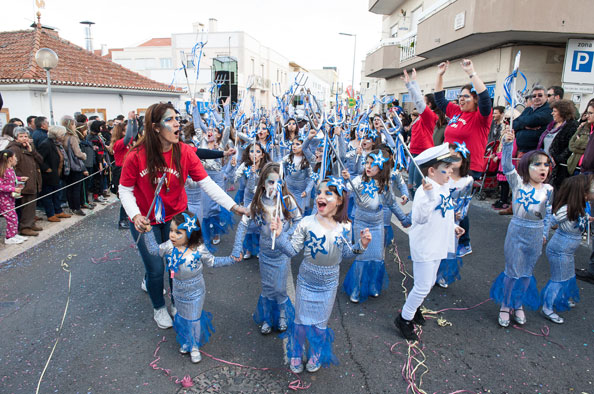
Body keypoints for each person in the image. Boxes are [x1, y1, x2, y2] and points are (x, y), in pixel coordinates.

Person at [119, 102, 246, 330]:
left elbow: (206, 183)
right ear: (156, 127)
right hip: (145, 222)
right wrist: (135, 215)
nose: (177, 123)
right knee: (156, 269)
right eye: (170, 119)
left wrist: (234, 207)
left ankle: (177, 302)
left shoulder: (185, 152)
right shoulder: (136, 156)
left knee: (175, 264)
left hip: (176, 219)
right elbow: (125, 190)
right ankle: (159, 307)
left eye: (177, 118)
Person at [271, 179, 371, 373]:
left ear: (340, 200)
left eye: (328, 193)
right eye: (319, 192)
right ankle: (296, 353)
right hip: (307, 280)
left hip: (329, 283)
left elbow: (347, 254)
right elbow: (292, 251)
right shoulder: (306, 223)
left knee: (319, 325)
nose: (320, 196)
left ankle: (315, 354)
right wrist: (280, 235)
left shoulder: (346, 226)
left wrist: (362, 245)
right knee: (300, 321)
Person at [144, 210, 241, 363]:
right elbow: (154, 250)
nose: (172, 235)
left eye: (178, 232)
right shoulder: (169, 247)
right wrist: (148, 232)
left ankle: (194, 346)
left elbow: (213, 262)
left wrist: (231, 259)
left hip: (196, 291)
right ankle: (187, 340)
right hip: (178, 290)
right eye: (171, 231)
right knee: (182, 317)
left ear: (190, 233)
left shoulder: (199, 248)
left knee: (194, 319)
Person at [394, 144, 464, 341]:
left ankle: (413, 308)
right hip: (425, 245)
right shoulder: (424, 192)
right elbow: (421, 218)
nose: (451, 170)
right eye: (446, 167)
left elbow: (444, 213)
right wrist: (430, 195)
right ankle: (404, 319)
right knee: (424, 285)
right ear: (432, 171)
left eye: (450, 167)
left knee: (427, 282)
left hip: (437, 242)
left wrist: (453, 227)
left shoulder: (443, 186)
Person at [490, 128, 553, 328]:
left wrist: (544, 233)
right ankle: (505, 304)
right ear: (526, 167)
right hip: (517, 231)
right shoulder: (519, 184)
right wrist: (508, 144)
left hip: (535, 233)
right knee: (513, 271)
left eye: (546, 165)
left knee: (526, 273)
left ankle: (518, 304)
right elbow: (507, 165)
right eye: (538, 164)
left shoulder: (549, 189)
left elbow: (549, 213)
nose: (543, 169)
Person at [231, 162, 301, 335]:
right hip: (265, 253)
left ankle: (282, 315)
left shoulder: (287, 201)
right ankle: (268, 318)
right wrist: (237, 246)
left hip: (281, 253)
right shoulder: (257, 201)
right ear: (263, 183)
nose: (274, 186)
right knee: (267, 288)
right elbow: (244, 224)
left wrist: (287, 234)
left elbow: (299, 220)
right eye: (270, 182)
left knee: (280, 288)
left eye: (278, 182)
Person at [434, 59, 492, 258]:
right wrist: (440, 75)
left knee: (457, 205)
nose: (461, 100)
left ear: (474, 99)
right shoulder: (457, 113)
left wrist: (471, 73)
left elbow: (485, 98)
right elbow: (440, 100)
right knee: (445, 201)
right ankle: (444, 235)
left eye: (466, 96)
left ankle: (463, 241)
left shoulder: (481, 117)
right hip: (448, 165)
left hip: (468, 167)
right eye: (459, 96)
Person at [341, 148, 411, 303]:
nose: (368, 166)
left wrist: (404, 220)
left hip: (377, 223)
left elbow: (392, 204)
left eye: (372, 164)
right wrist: (346, 180)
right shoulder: (359, 180)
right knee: (361, 257)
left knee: (377, 257)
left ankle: (373, 285)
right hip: (361, 222)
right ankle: (356, 288)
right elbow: (347, 192)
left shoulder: (384, 185)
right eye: (367, 162)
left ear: (381, 167)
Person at [541, 175, 592, 324]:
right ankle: (547, 308)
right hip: (559, 249)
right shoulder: (567, 209)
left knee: (568, 276)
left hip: (568, 250)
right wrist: (541, 235)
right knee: (558, 279)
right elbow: (550, 221)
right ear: (582, 192)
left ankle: (560, 299)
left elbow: (583, 219)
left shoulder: (581, 206)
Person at [435, 143, 474, 288]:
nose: (452, 160)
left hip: (455, 219)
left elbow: (466, 201)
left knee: (450, 248)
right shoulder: (443, 176)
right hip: (440, 215)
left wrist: (461, 214)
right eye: (449, 157)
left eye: (456, 157)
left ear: (464, 160)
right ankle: (431, 273)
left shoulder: (468, 180)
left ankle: (442, 275)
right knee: (436, 245)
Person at [403, 69, 439, 194]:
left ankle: (420, 209)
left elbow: (418, 100)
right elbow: (417, 97)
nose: (418, 102)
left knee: (418, 187)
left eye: (424, 101)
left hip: (423, 154)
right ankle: (415, 208)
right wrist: (413, 83)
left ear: (429, 105)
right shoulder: (420, 116)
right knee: (410, 185)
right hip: (414, 153)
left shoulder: (430, 116)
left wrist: (410, 85)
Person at [7, 127, 43, 236]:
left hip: (33, 179)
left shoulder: (30, 146)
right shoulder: (14, 149)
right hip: (23, 181)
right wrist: (18, 178)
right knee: (26, 205)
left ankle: (30, 223)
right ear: (16, 138)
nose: (24, 138)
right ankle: (25, 226)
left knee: (32, 204)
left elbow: (40, 160)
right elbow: (11, 166)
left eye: (26, 136)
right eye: (21, 136)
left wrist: (32, 151)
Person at [536, 99, 578, 190]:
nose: (552, 113)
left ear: (563, 112)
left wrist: (557, 159)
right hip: (545, 163)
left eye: (555, 111)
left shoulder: (572, 126)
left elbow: (570, 147)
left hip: (559, 168)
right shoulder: (551, 125)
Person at [37, 126, 72, 222]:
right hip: (49, 174)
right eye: (62, 134)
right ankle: (50, 214)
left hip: (58, 173)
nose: (63, 136)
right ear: (57, 135)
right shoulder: (46, 144)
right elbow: (39, 159)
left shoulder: (57, 144)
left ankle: (58, 211)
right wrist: (46, 168)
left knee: (57, 194)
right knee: (48, 195)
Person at [110, 112, 137, 229]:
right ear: (121, 132)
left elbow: (134, 133)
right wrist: (130, 121)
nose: (129, 132)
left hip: (127, 170)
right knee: (126, 196)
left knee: (132, 195)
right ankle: (122, 220)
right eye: (126, 130)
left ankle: (128, 217)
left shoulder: (125, 143)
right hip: (120, 171)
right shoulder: (118, 144)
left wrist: (134, 121)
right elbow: (128, 137)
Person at [513, 85, 553, 154]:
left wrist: (522, 123)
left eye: (540, 95)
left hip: (537, 151)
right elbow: (514, 124)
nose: (537, 97)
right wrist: (525, 126)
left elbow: (533, 120)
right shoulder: (528, 109)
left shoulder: (548, 110)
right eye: (534, 96)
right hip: (521, 150)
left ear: (546, 97)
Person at [62, 115, 88, 216]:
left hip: (67, 165)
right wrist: (84, 155)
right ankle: (76, 207)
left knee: (69, 188)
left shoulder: (62, 136)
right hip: (75, 165)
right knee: (76, 188)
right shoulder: (72, 137)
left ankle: (72, 206)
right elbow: (77, 153)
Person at [0, 150, 28, 244]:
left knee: (14, 217)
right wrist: (12, 188)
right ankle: (9, 237)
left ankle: (14, 234)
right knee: (11, 217)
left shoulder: (10, 169)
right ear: (10, 159)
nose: (16, 158)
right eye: (15, 156)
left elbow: (12, 178)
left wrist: (20, 179)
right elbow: (1, 186)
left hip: (10, 198)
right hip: (3, 199)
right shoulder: (2, 170)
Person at [567, 102, 594, 176]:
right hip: (577, 166)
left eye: (590, 113)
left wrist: (579, 143)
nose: (587, 116)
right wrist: (584, 148)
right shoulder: (583, 127)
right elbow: (571, 144)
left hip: (589, 171)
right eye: (587, 113)